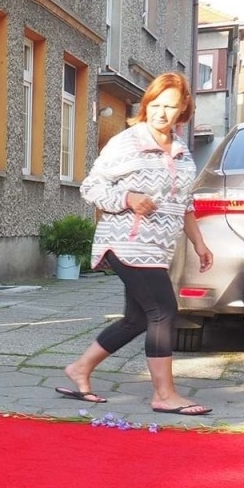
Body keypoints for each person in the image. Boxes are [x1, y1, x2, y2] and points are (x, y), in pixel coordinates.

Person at [60, 71, 216, 416]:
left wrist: (200, 244)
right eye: (156, 104)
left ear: (184, 109)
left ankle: (80, 369)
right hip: (126, 243)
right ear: (146, 105)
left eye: (170, 106)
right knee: (162, 311)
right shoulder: (127, 142)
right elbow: (91, 188)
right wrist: (128, 197)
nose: (162, 113)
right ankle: (164, 394)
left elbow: (184, 203)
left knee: (137, 319)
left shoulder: (181, 151)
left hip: (158, 249)